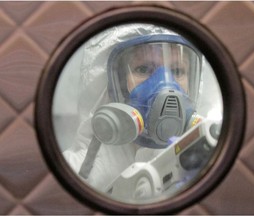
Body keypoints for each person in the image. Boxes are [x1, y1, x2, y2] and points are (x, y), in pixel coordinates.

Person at [63, 23, 220, 195]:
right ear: (116, 85)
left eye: (177, 70)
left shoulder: (213, 157)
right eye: (143, 69)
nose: (165, 84)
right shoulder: (78, 169)